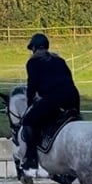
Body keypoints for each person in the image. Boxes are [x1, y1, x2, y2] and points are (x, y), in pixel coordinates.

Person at [21, 32, 81, 170]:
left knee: (28, 121)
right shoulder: (60, 60)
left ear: (34, 48)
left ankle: (31, 157)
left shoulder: (33, 62)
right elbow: (69, 78)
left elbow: (32, 85)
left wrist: (30, 103)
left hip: (54, 99)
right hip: (73, 98)